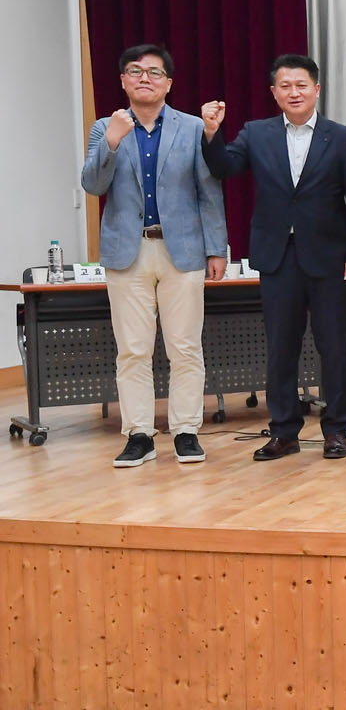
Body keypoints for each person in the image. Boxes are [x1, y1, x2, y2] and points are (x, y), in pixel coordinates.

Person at [201, 54, 346, 460]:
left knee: (334, 347)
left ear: (317, 89)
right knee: (281, 347)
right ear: (274, 92)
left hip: (330, 257)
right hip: (278, 256)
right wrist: (211, 133)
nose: (294, 92)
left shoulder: (341, 137)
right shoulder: (256, 133)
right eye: (285, 86)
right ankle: (284, 431)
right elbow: (224, 167)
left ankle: (336, 430)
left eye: (301, 85)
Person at [82, 44, 227, 467]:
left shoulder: (192, 127)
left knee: (185, 346)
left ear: (169, 83)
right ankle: (139, 435)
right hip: (127, 252)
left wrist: (216, 248)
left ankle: (186, 431)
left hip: (182, 249)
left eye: (154, 72)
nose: (144, 78)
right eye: (135, 71)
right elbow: (92, 185)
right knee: (132, 350)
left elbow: (209, 192)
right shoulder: (105, 127)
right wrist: (112, 141)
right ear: (123, 81)